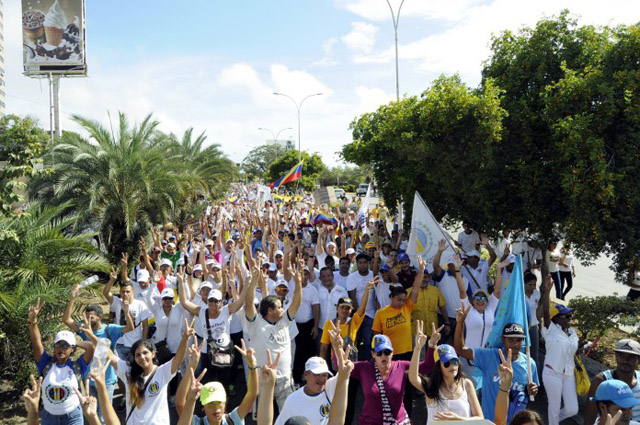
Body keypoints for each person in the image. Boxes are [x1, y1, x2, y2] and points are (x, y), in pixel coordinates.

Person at [62, 278, 134, 424]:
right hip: (89, 379)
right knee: (90, 413)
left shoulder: (110, 329)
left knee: (103, 415)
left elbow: (130, 328)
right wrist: (73, 298)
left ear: (100, 317)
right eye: (86, 317)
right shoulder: (84, 328)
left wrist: (126, 312)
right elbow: (66, 320)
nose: (87, 320)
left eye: (91, 317)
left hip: (106, 380)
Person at [454, 308, 539, 422]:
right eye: (511, 340)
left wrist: (532, 391)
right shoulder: (489, 356)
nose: (515, 344)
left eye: (519, 340)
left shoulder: (530, 364)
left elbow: (532, 391)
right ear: (502, 340)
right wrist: (460, 323)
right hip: (489, 422)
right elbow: (460, 350)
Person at [108, 319, 195, 425]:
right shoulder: (128, 371)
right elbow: (110, 355)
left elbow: (178, 358)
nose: (142, 357)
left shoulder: (162, 372)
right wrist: (92, 335)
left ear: (153, 354)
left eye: (145, 353)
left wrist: (185, 337)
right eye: (138, 355)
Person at [339, 330, 436, 425]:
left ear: (392, 353)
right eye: (379, 353)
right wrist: (337, 348)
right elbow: (341, 367)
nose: (383, 356)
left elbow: (426, 367)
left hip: (398, 422)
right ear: (373, 354)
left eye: (387, 352)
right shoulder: (364, 368)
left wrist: (431, 345)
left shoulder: (401, 366)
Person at [243, 259, 303, 410]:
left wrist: (298, 282)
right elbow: (249, 304)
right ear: (270, 310)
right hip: (264, 379)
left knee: (288, 416)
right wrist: (254, 281)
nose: (283, 310)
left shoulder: (284, 322)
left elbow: (296, 302)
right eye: (279, 307)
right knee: (265, 417)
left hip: (285, 381)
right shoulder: (255, 323)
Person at [28, 297, 94, 425]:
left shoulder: (78, 365)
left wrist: (74, 342)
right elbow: (36, 344)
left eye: (65, 346)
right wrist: (33, 322)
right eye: (58, 344)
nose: (61, 349)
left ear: (72, 349)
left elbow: (91, 347)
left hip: (73, 416)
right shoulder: (45, 363)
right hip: (49, 417)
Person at [409, 321, 483, 424]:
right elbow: (413, 377)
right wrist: (417, 349)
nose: (452, 366)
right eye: (447, 363)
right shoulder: (431, 385)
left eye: (454, 361)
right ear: (439, 367)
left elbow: (480, 418)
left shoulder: (466, 384)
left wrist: (458, 419)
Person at [175, 338, 258, 425]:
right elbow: (179, 403)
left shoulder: (234, 419)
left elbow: (252, 393)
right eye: (210, 403)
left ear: (225, 403)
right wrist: (191, 366)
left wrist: (252, 366)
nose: (215, 408)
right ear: (203, 407)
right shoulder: (195, 423)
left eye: (219, 402)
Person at [541, 274, 579, 425]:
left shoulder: (572, 332)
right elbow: (545, 312)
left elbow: (572, 350)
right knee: (554, 408)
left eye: (569, 316)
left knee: (572, 409)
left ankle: (553, 422)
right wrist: (546, 291)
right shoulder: (550, 329)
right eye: (565, 316)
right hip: (552, 373)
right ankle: (553, 422)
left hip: (568, 373)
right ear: (556, 318)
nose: (569, 319)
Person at [275, 356, 347, 425]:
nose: (321, 378)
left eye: (324, 375)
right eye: (317, 374)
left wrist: (338, 349)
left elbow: (344, 373)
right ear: (305, 375)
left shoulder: (330, 386)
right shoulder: (292, 400)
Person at [586, 339, 640, 425]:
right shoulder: (601, 381)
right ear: (616, 356)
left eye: (631, 357)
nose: (625, 360)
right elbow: (590, 417)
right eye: (621, 355)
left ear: (639, 360)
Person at [432, 240, 468, 345]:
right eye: (451, 264)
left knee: (459, 346)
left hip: (460, 321)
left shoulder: (465, 280)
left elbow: (469, 298)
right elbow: (435, 265)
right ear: (448, 265)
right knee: (441, 347)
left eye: (456, 263)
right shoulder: (443, 275)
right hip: (444, 319)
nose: (453, 266)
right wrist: (439, 251)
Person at [347, 253, 375, 360]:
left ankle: (368, 364)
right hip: (357, 315)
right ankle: (354, 365)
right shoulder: (352, 277)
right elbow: (352, 297)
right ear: (357, 264)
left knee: (368, 343)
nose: (362, 265)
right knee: (355, 342)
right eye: (360, 263)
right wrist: (359, 313)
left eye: (364, 263)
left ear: (368, 264)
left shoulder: (373, 275)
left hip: (371, 314)